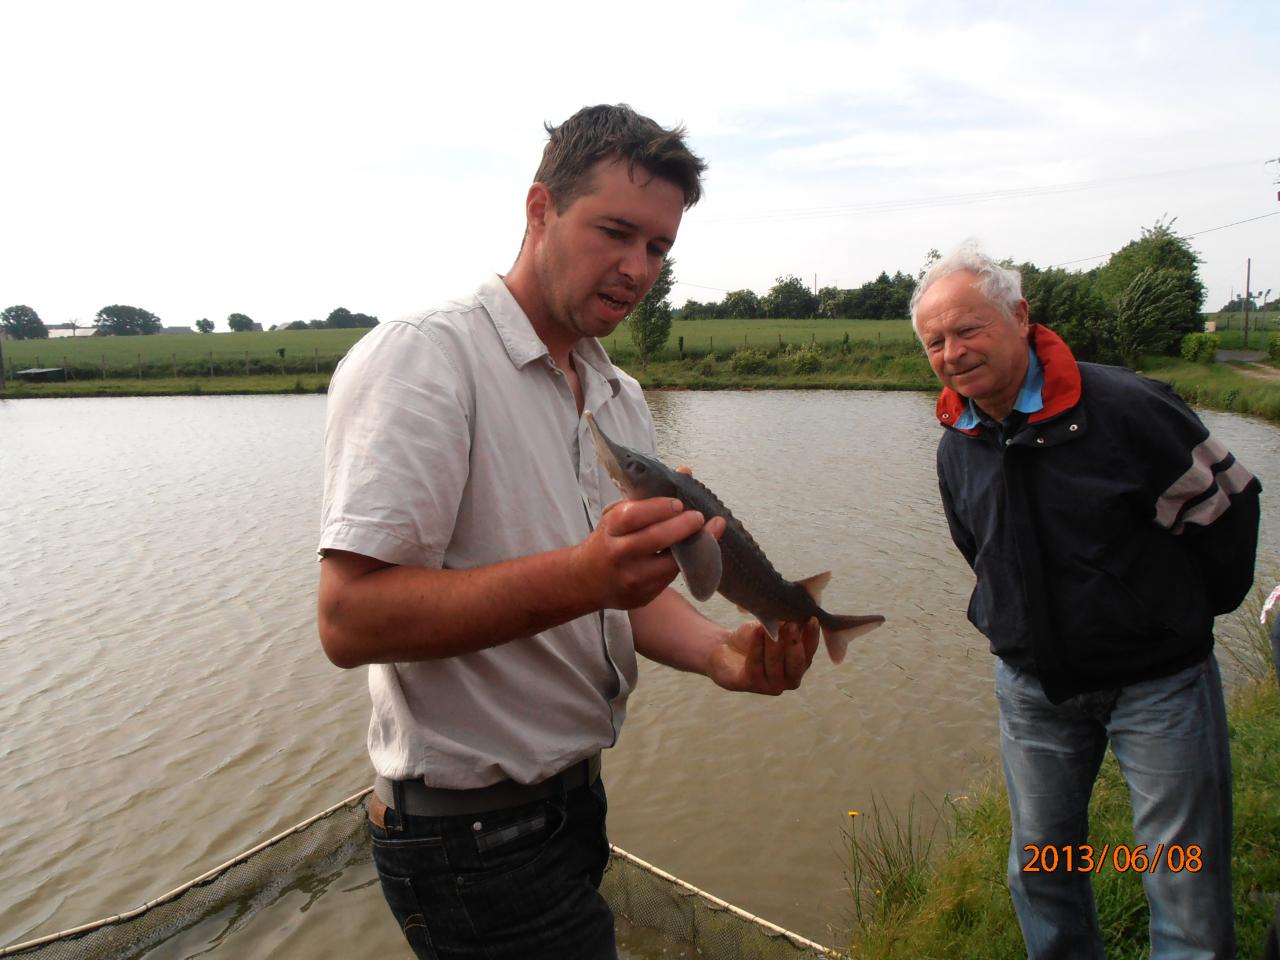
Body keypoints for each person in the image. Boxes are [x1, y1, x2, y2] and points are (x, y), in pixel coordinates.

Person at [315, 104, 820, 960]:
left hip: (571, 809)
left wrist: (720, 655)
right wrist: (586, 576)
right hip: (465, 838)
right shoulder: (424, 360)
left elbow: (623, 587)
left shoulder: (617, 396)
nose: (636, 269)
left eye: (658, 248)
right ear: (540, 208)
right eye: (615, 232)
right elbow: (350, 620)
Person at [912, 241, 1262, 960]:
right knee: (1042, 869)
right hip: (1034, 689)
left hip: (1158, 683)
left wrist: (1180, 616)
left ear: (1018, 316)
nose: (953, 352)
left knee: (1182, 878)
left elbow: (1227, 510)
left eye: (969, 329)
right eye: (935, 341)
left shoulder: (1130, 408)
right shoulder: (959, 441)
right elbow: (978, 550)